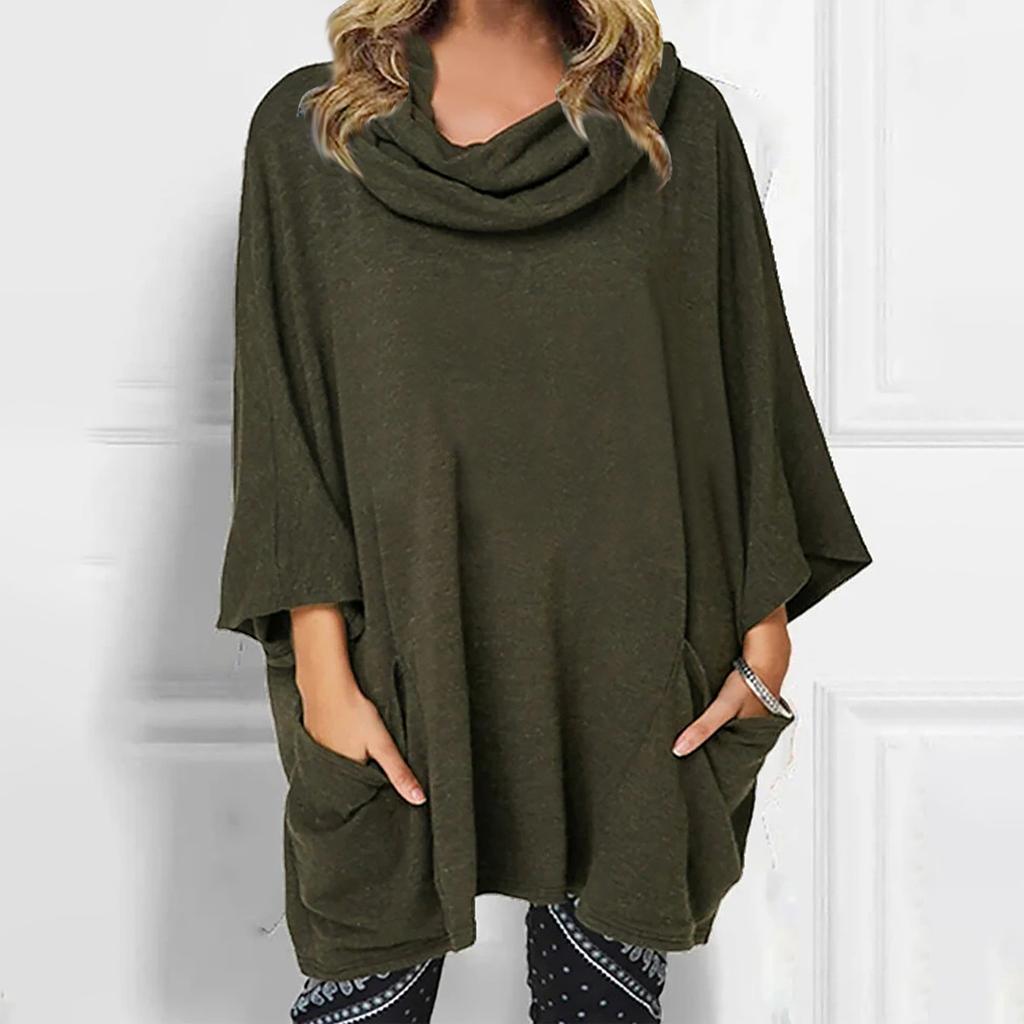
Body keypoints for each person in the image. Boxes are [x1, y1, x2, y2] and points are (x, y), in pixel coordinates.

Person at [214, 0, 873, 1020]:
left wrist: (765, 638)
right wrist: (320, 667)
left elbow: (743, 388)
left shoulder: (676, 125)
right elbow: (286, 418)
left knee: (601, 1005)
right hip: (397, 649)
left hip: (637, 662)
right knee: (364, 972)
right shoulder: (316, 130)